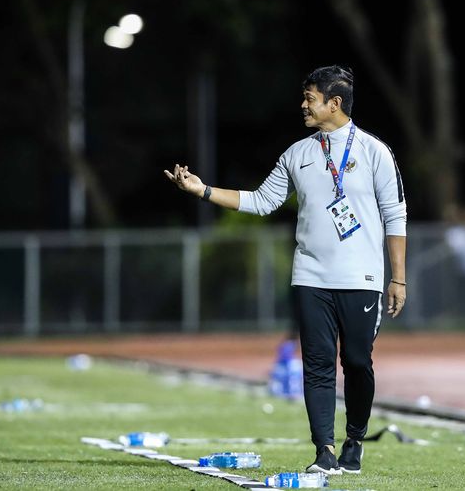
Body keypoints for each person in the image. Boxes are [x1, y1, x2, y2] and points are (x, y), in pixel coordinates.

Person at [164, 65, 407, 475]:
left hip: (361, 278)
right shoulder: (297, 154)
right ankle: (324, 450)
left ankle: (355, 438)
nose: (303, 105)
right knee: (316, 364)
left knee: (358, 363)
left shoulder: (374, 151)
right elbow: (261, 200)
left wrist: (397, 276)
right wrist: (201, 190)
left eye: (310, 98)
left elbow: (396, 215)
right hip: (309, 277)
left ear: (335, 103)